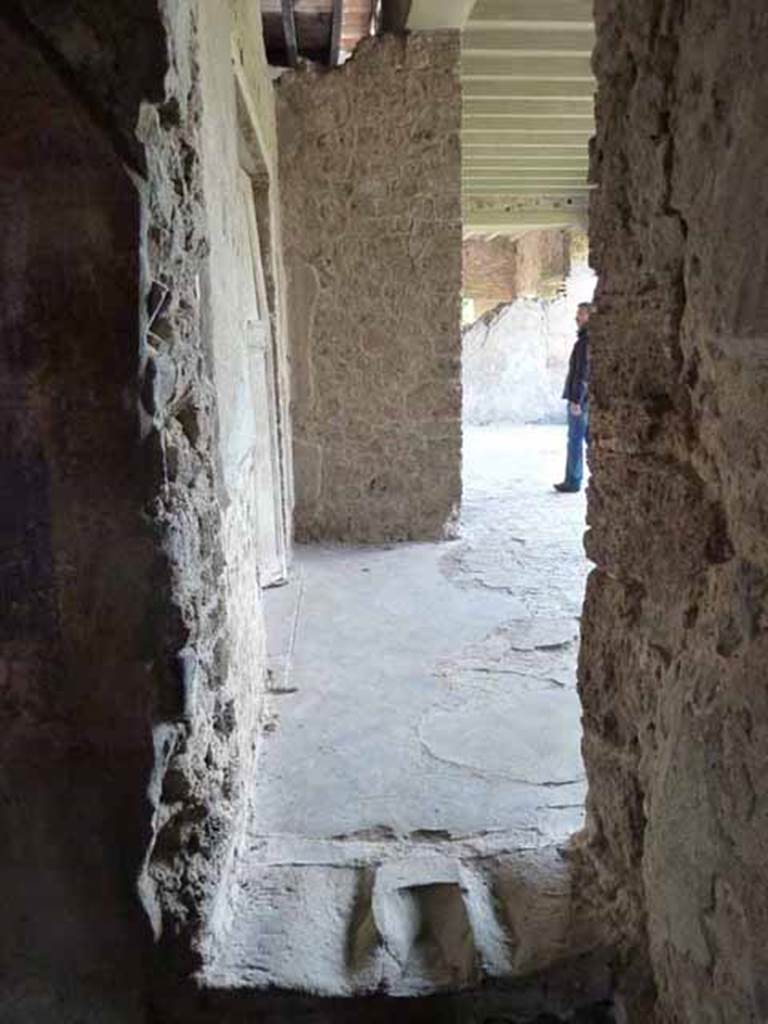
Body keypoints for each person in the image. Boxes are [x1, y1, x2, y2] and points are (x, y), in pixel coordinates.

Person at [554, 302, 592, 493]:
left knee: (575, 440)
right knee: (590, 439)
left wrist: (576, 399)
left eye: (581, 314)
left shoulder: (585, 343)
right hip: (587, 399)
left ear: (590, 316)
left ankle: (573, 480)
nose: (577, 318)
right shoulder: (588, 341)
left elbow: (582, 373)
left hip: (581, 401)